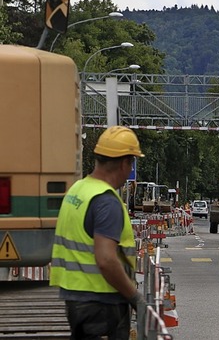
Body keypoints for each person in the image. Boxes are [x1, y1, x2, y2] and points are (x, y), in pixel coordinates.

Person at [50, 126, 146, 340]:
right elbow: (106, 260)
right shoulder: (106, 201)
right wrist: (134, 297)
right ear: (124, 163)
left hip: (76, 300)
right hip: (102, 304)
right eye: (131, 162)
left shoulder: (77, 190)